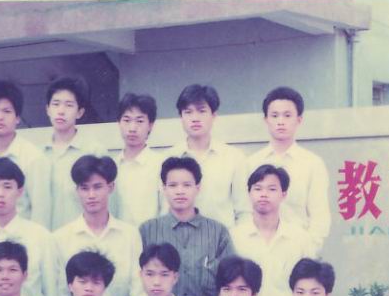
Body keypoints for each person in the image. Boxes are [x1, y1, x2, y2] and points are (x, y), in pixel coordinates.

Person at [140, 156, 235, 296]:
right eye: (173, 185)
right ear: (164, 188)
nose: (180, 191)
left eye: (187, 185)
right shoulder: (147, 231)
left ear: (197, 188)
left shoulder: (218, 232)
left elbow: (230, 280)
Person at [240, 87, 330, 251]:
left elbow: (320, 216)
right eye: (274, 115)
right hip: (257, 249)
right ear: (266, 119)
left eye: (287, 115)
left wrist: (308, 252)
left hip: (298, 250)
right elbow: (245, 211)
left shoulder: (312, 164)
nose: (280, 121)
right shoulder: (251, 163)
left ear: (299, 120)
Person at [54, 155, 143, 296]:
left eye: (97, 187)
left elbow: (138, 294)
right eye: (84, 188)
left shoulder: (129, 235)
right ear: (77, 191)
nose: (91, 195)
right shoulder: (61, 238)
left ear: (111, 187)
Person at [231, 164, 317, 296]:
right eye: (258, 188)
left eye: (271, 189)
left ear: (283, 194)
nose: (264, 194)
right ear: (249, 193)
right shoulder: (234, 237)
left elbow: (312, 283)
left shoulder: (300, 238)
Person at [0, 158, 60, 296]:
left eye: (7, 187)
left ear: (20, 191)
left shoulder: (40, 236)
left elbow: (52, 292)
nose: (0, 194)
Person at [0, 80, 51, 229]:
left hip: (20, 240)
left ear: (18, 117)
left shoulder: (33, 158)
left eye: (6, 111)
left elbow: (41, 213)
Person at [173, 84, 246, 229]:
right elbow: (163, 210)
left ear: (214, 115)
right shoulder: (169, 157)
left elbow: (244, 211)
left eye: (202, 111)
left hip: (222, 240)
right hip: (178, 240)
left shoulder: (234, 158)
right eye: (188, 112)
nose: (195, 118)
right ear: (181, 117)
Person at [41, 76, 102, 230]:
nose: (61, 111)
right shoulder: (38, 155)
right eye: (56, 104)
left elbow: (106, 202)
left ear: (80, 112)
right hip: (47, 239)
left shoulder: (94, 152)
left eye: (69, 105)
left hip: (83, 237)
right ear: (47, 109)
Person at [112, 93, 163, 227]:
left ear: (150, 125)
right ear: (118, 123)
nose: (132, 128)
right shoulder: (111, 166)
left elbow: (166, 210)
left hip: (151, 238)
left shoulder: (160, 165)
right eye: (127, 120)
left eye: (140, 121)